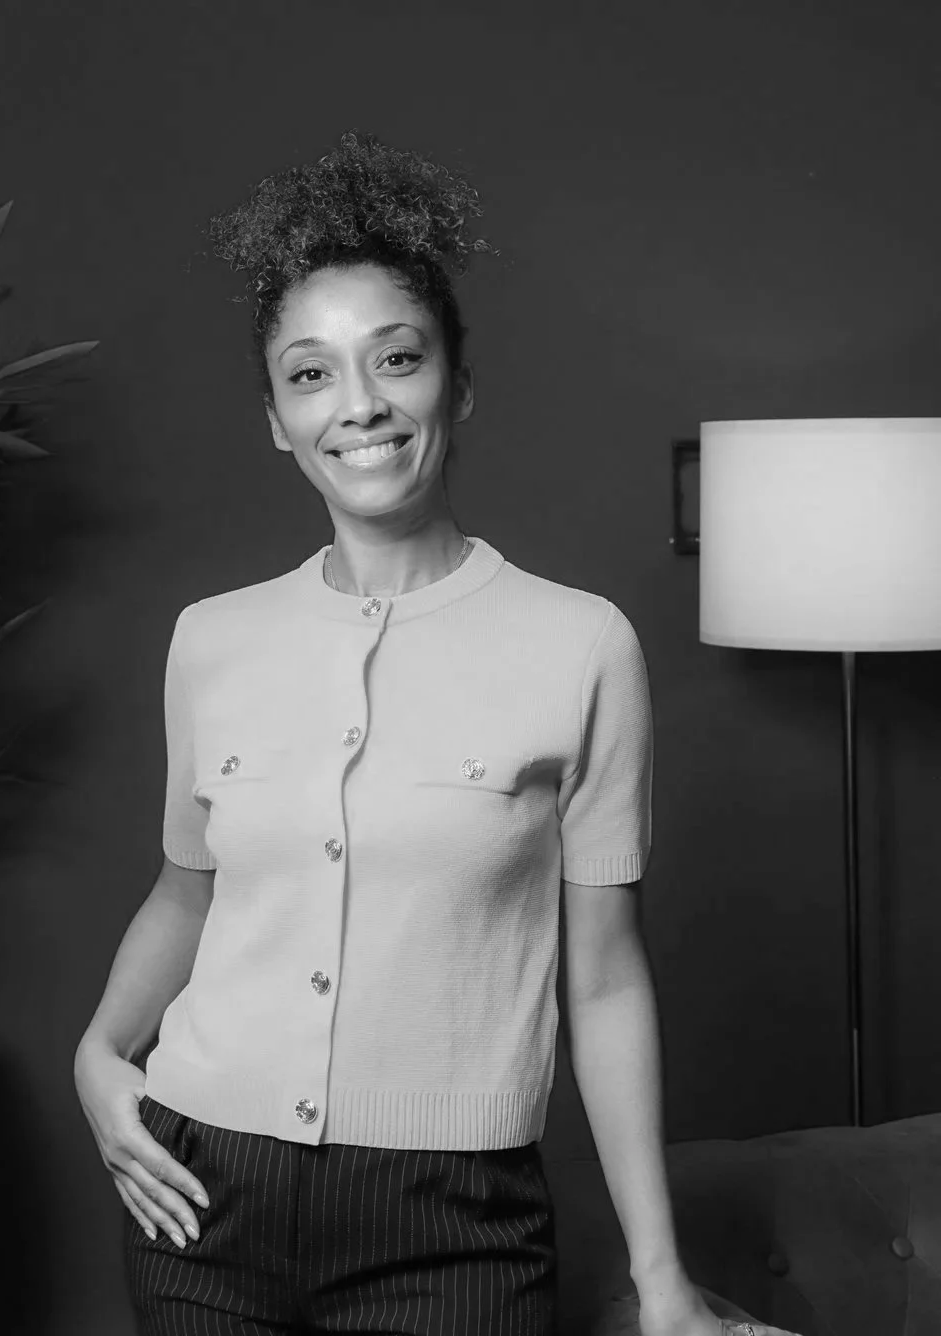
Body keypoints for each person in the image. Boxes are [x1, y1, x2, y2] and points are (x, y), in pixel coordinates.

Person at [74, 131, 804, 1336]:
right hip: (198, 1200)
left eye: (395, 360)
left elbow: (606, 976)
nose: (357, 405)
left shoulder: (580, 644)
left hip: (451, 1221)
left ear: (455, 386)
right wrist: (101, 1054)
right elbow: (185, 890)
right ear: (274, 419)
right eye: (309, 375)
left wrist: (661, 1276)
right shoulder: (211, 637)